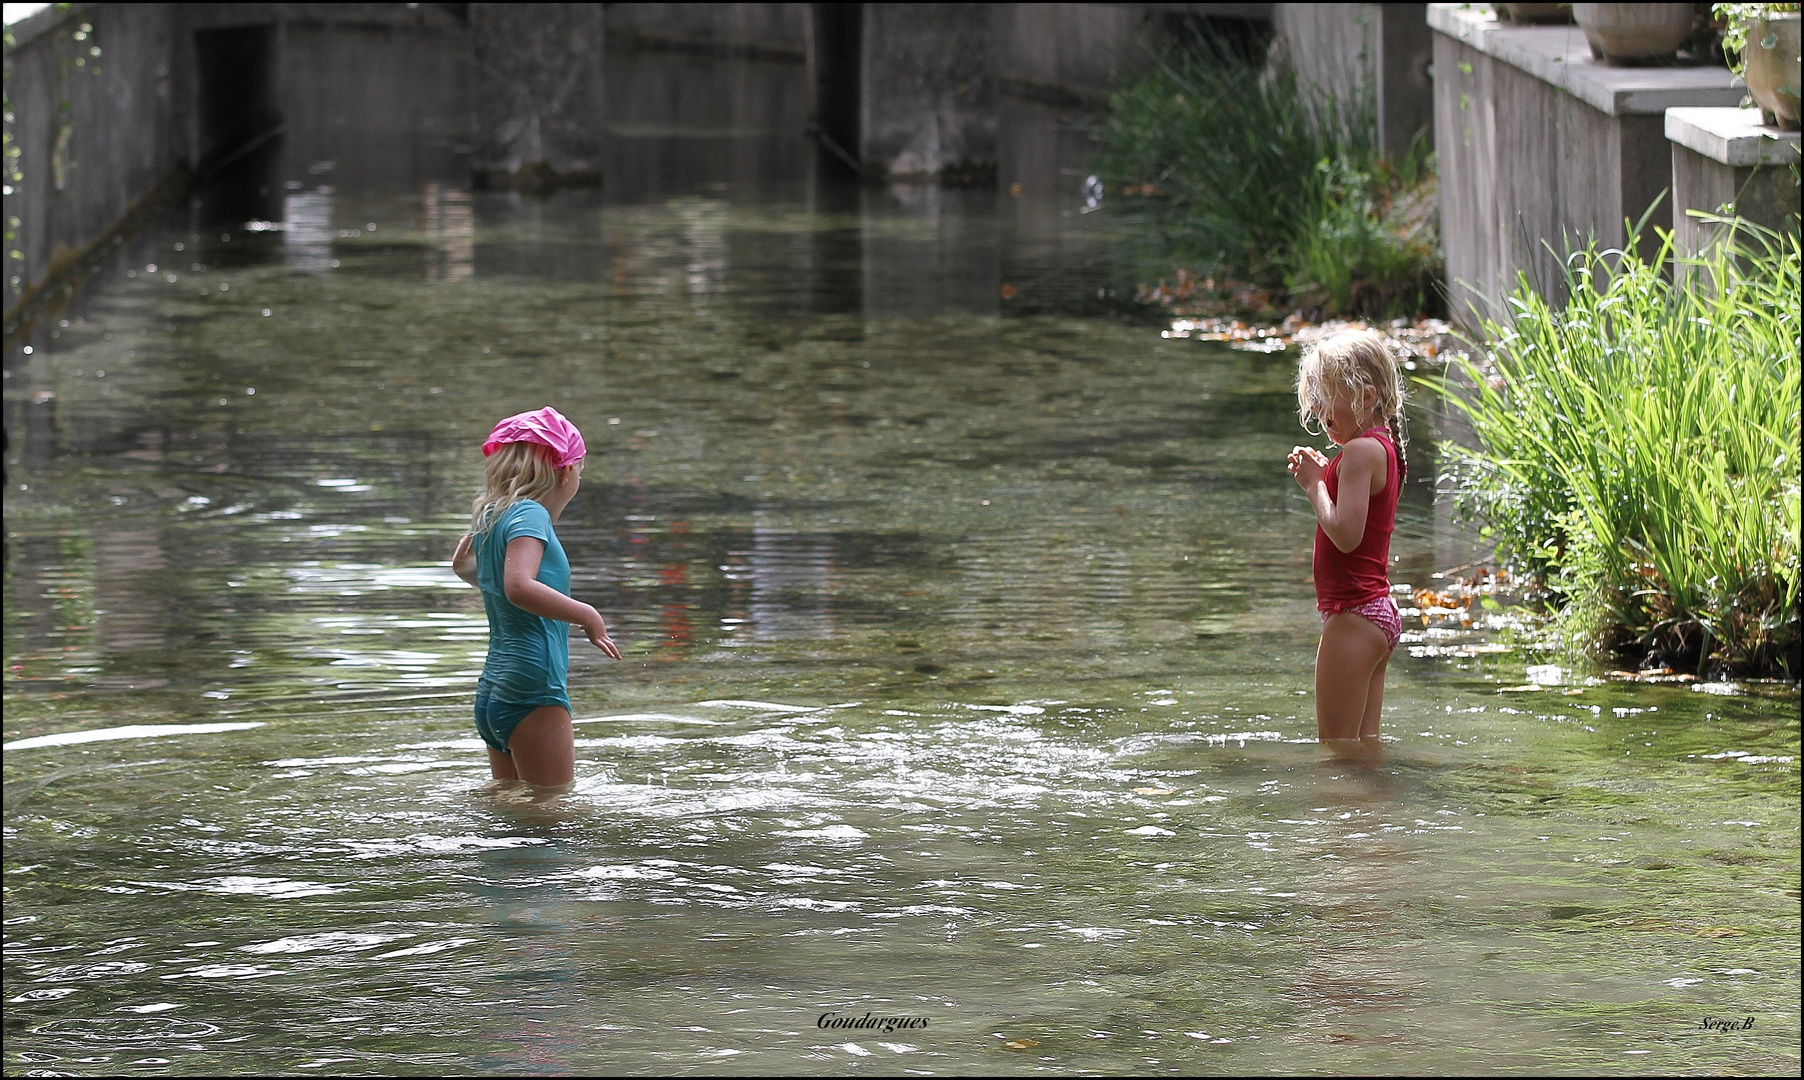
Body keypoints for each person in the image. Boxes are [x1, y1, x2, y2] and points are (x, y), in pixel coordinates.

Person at [451, 406, 622, 787]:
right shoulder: (530, 514)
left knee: (510, 805)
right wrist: (587, 615)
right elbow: (519, 587)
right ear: (566, 471)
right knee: (552, 812)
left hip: (495, 688)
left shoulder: (492, 514)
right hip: (534, 684)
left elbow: (465, 568)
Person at [1286, 330, 1407, 743]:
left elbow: (1346, 536)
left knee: (1336, 753)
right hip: (1377, 613)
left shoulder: (1359, 453)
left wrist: (1313, 485)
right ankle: (1376, 811)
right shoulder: (1381, 448)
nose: (1319, 409)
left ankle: (1345, 811)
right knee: (1362, 750)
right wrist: (1326, 476)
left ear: (1366, 396)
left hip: (1355, 614)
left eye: (1326, 395)